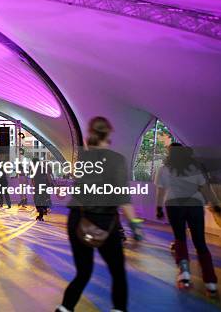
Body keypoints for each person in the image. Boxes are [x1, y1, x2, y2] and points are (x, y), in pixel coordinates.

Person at [57, 117, 133, 312]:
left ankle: (64, 309)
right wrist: (136, 224)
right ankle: (118, 309)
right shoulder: (116, 160)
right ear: (108, 134)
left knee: (83, 273)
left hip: (77, 220)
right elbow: (122, 198)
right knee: (117, 272)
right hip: (103, 222)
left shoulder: (83, 159)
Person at [155, 143, 221, 297]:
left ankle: (184, 274)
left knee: (180, 238)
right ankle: (211, 283)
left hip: (174, 205)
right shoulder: (195, 168)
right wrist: (215, 204)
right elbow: (206, 189)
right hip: (194, 205)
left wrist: (158, 208)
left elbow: (160, 191)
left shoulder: (164, 169)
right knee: (200, 243)